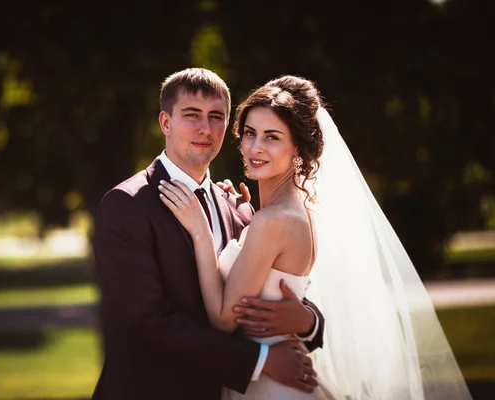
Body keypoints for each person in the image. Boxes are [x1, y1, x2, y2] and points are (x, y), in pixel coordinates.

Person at [160, 75, 474, 399]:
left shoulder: (273, 221)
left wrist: (200, 232)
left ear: (298, 146)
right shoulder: (293, 211)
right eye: (250, 134)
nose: (255, 147)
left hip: (270, 386)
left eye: (272, 137)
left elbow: (226, 320)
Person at [91, 68, 326, 400]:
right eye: (192, 115)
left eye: (216, 117)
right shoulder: (127, 205)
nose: (205, 128)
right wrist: (260, 361)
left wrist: (307, 320)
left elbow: (273, 294)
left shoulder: (241, 207)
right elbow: (149, 323)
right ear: (165, 123)